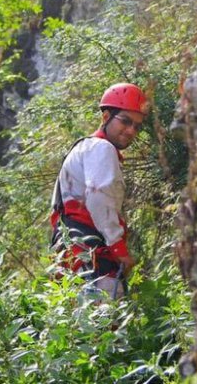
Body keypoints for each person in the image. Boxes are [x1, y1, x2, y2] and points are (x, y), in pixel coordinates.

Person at [50, 83, 147, 299]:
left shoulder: (83, 148)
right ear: (106, 117)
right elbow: (99, 197)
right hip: (92, 256)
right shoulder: (102, 148)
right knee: (106, 327)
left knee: (77, 327)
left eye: (137, 126)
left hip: (73, 256)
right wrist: (119, 250)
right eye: (125, 121)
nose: (131, 130)